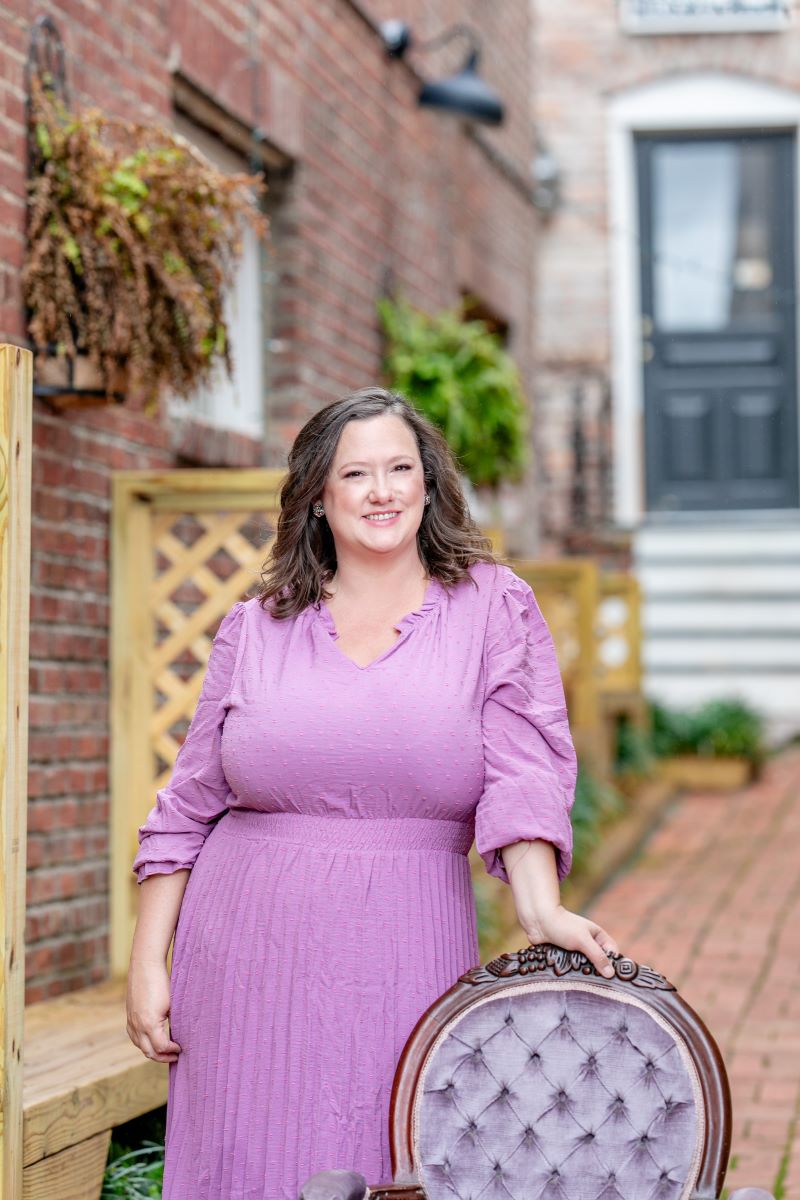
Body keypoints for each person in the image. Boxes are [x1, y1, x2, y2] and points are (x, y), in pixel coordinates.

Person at [126, 386, 619, 1200]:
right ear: (320, 497)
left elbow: (523, 775)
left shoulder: (493, 605)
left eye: (400, 467)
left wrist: (540, 908)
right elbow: (185, 810)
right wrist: (150, 963)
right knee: (247, 1169)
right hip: (244, 962)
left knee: (390, 1160)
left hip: (407, 949)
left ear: (429, 484)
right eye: (357, 474)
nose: (382, 490)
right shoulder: (256, 627)